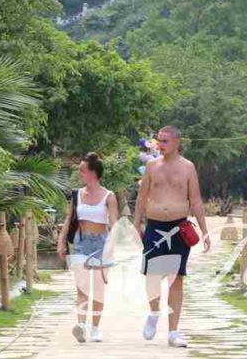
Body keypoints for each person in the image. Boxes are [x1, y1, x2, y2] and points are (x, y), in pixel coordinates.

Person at [132, 126, 210, 348]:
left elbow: (195, 201)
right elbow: (141, 197)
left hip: (179, 227)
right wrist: (136, 224)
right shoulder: (151, 166)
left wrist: (204, 231)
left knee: (176, 279)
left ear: (177, 142)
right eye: (159, 140)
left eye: (165, 140)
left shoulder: (188, 168)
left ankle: (173, 332)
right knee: (153, 276)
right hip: (155, 226)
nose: (160, 144)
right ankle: (154, 312)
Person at [56, 152, 119, 343]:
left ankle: (95, 327)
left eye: (82, 170)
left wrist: (112, 247)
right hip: (81, 242)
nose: (80, 173)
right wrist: (61, 241)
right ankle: (81, 326)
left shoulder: (109, 196)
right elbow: (69, 219)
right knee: (82, 287)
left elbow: (115, 223)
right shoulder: (77, 195)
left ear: (93, 173)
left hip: (101, 242)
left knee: (98, 288)